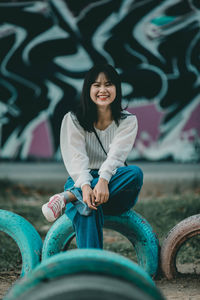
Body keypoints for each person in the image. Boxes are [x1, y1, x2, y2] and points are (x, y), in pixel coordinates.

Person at [42, 64, 143, 249]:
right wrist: (86, 186)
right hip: (83, 181)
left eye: (109, 84)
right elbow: (76, 158)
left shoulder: (128, 121)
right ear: (88, 89)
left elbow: (116, 155)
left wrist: (103, 180)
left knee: (134, 173)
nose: (103, 90)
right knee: (87, 207)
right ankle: (92, 266)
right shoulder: (73, 119)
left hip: (114, 188)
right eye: (96, 85)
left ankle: (69, 196)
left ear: (117, 89)